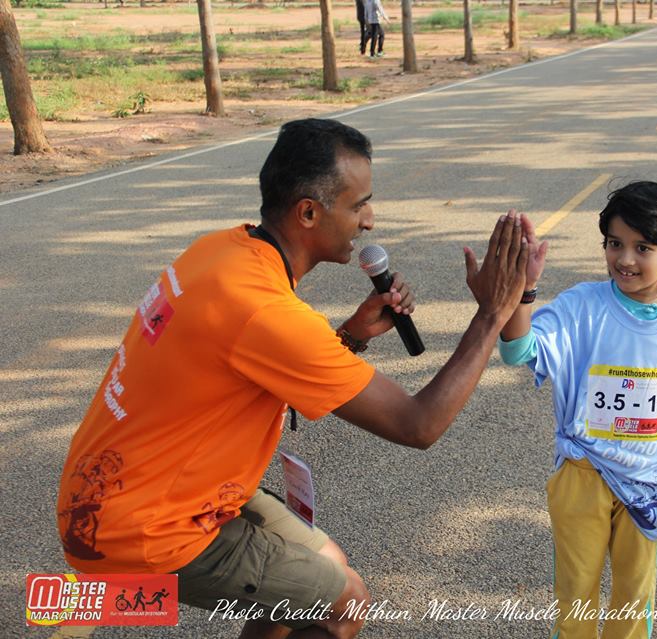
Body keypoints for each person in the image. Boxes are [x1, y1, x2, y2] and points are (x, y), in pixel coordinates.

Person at [56, 118, 529, 639]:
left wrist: (350, 336)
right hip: (141, 527)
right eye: (358, 205)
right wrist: (493, 313)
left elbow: (251, 364)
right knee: (343, 605)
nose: (369, 222)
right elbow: (419, 425)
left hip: (123, 489)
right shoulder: (267, 313)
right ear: (308, 212)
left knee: (325, 565)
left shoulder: (219, 249)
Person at [499, 181, 657, 639]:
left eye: (643, 248)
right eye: (614, 243)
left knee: (634, 603)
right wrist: (525, 290)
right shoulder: (582, 307)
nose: (625, 259)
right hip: (582, 476)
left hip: (650, 486)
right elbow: (518, 350)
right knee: (575, 597)